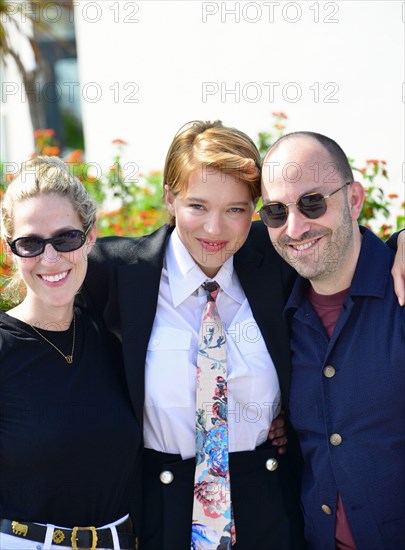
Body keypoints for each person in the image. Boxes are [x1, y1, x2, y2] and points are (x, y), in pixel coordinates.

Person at [82, 120, 304, 550]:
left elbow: (342, 245)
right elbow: (48, 266)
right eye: (197, 206)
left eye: (236, 209)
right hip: (161, 509)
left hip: (268, 504)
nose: (215, 229)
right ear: (169, 197)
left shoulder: (275, 261)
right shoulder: (118, 273)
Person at [259, 131, 405, 550]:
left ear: (355, 199)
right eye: (274, 211)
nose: (295, 227)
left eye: (312, 202)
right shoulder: (276, 318)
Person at [0, 157, 141, 550]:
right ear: (10, 250)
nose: (50, 258)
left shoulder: (112, 334)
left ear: (90, 238)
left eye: (66, 238)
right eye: (30, 243)